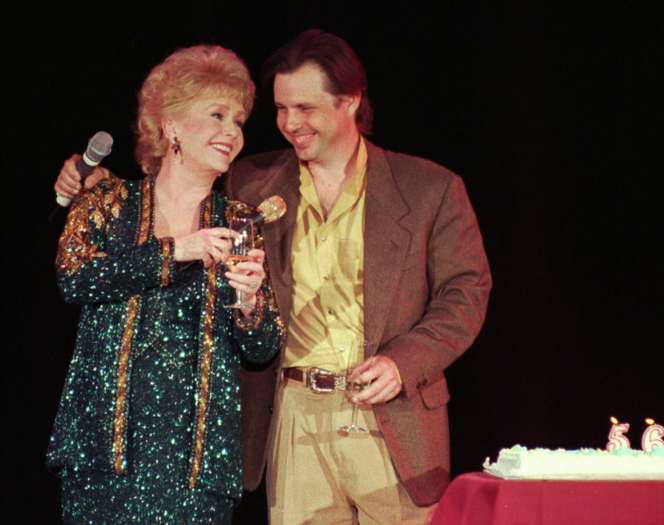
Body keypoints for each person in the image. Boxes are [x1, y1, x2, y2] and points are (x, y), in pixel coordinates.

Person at [56, 30, 491, 525]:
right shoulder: (251, 183)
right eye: (281, 109)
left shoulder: (430, 188)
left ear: (350, 100)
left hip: (390, 419)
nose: (289, 124)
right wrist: (88, 183)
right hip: (293, 421)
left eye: (305, 108)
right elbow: (166, 187)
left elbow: (466, 292)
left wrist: (403, 363)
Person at [48, 45, 284, 524]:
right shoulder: (109, 201)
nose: (231, 132)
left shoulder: (238, 221)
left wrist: (249, 300)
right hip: (104, 458)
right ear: (170, 123)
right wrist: (178, 249)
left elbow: (262, 348)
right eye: (216, 115)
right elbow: (74, 277)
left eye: (238, 121)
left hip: (197, 467)